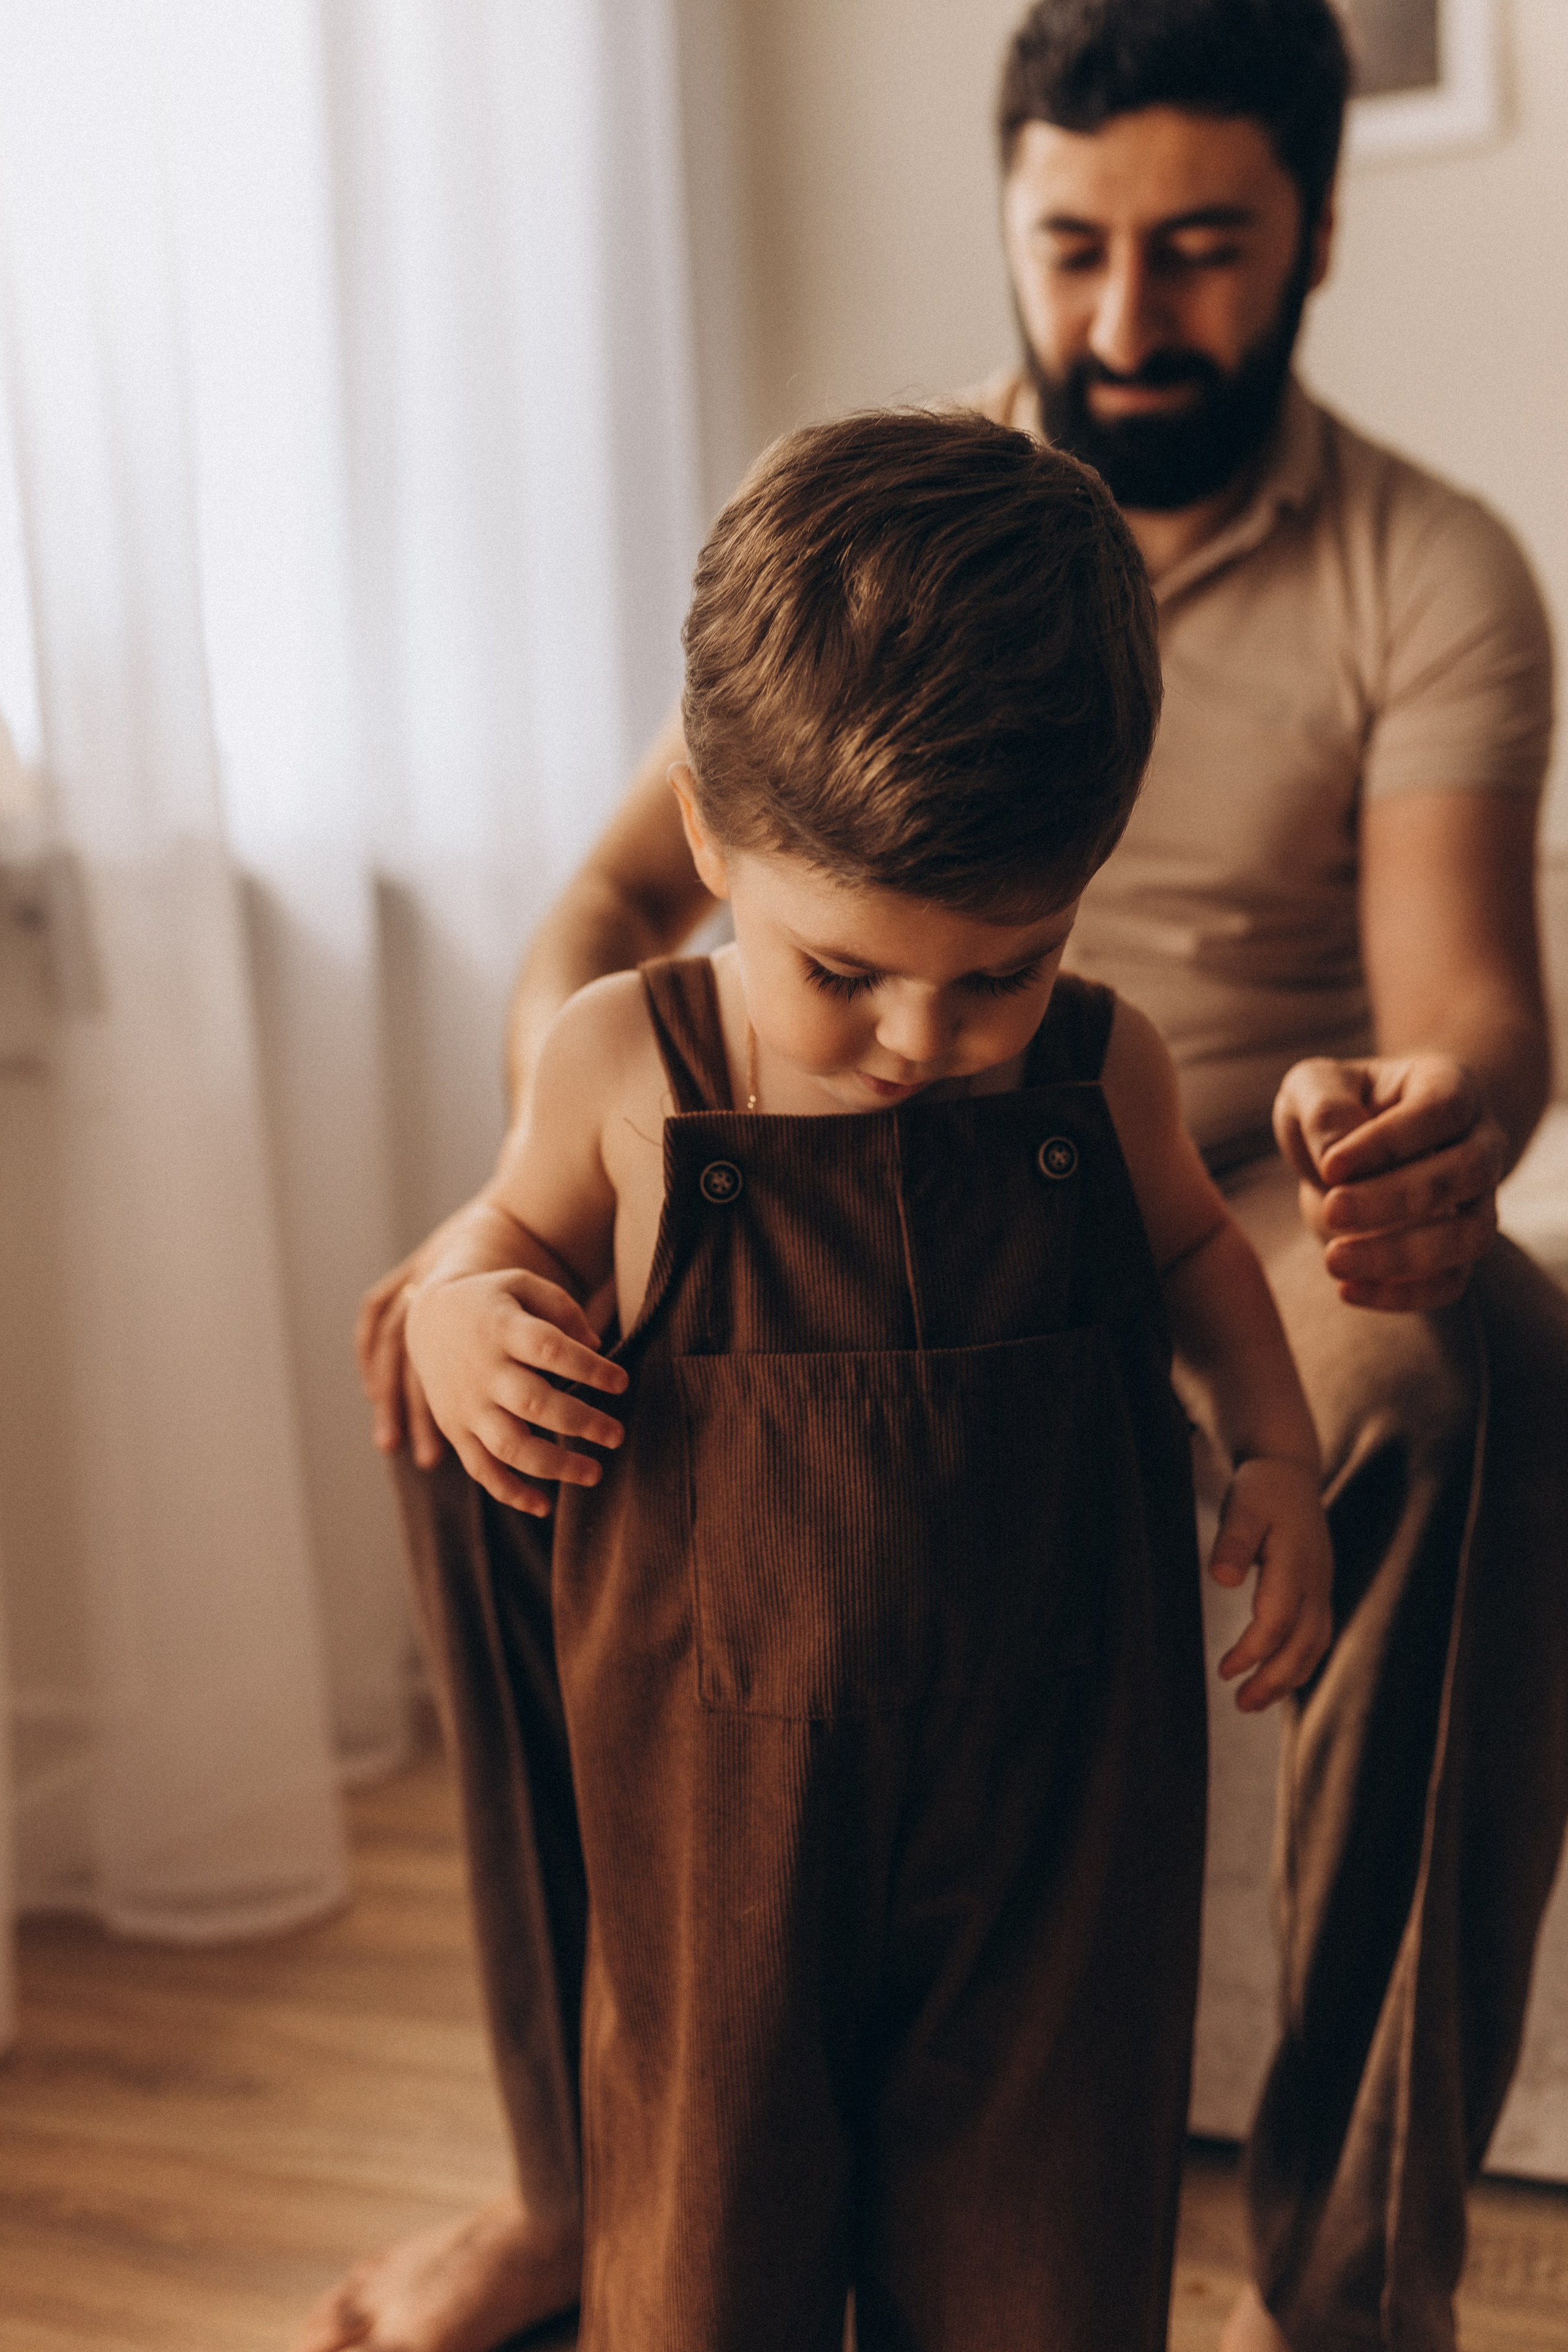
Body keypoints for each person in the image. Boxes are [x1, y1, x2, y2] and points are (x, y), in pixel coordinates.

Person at [314, 2, 1567, 2350]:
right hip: (775, 1171)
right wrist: (574, 1183)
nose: (1125, 312)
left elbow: (1478, 1000)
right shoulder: (878, 554)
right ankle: (584, 2178)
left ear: (1313, 229)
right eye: (1075, 245)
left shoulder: (1428, 572)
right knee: (443, 1348)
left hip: (1209, 1170)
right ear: (1009, 215)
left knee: (1464, 1361)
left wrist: (1421, 1127)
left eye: (1199, 249)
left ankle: (1346, 2279)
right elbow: (617, 914)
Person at [404, 407, 1334, 2349]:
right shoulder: (628, 1064)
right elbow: (493, 1236)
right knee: (708, 2228)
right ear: (709, 838)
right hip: (716, 1804)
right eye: (842, 973)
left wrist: (1273, 1449)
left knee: (1038, 2238)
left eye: (1003, 969)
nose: (924, 1036)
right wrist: (461, 1315)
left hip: (1055, 1799)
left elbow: (1192, 1257)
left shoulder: (1101, 1071)